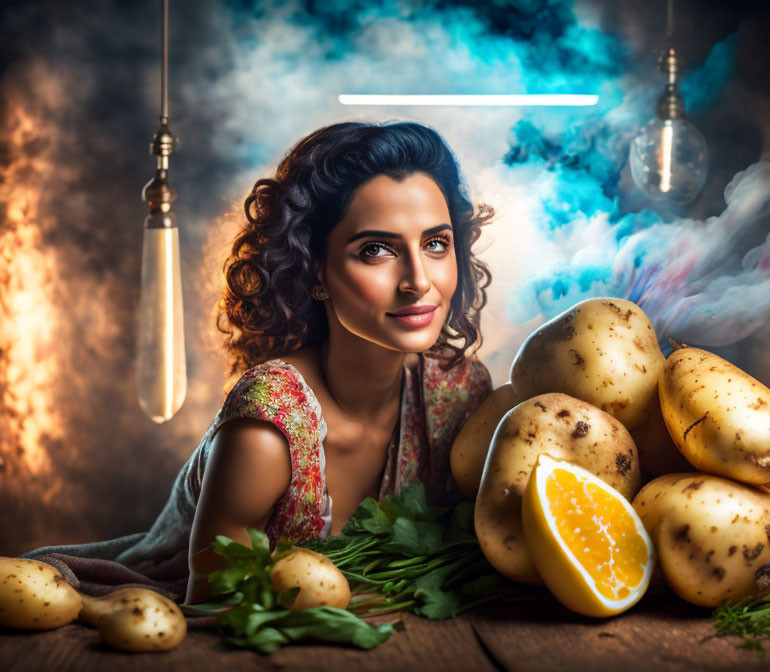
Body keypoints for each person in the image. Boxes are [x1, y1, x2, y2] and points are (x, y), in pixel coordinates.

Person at [19, 120, 496, 606]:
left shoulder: (457, 397)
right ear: (316, 271)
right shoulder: (267, 430)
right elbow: (215, 608)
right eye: (376, 250)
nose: (418, 280)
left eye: (436, 243)